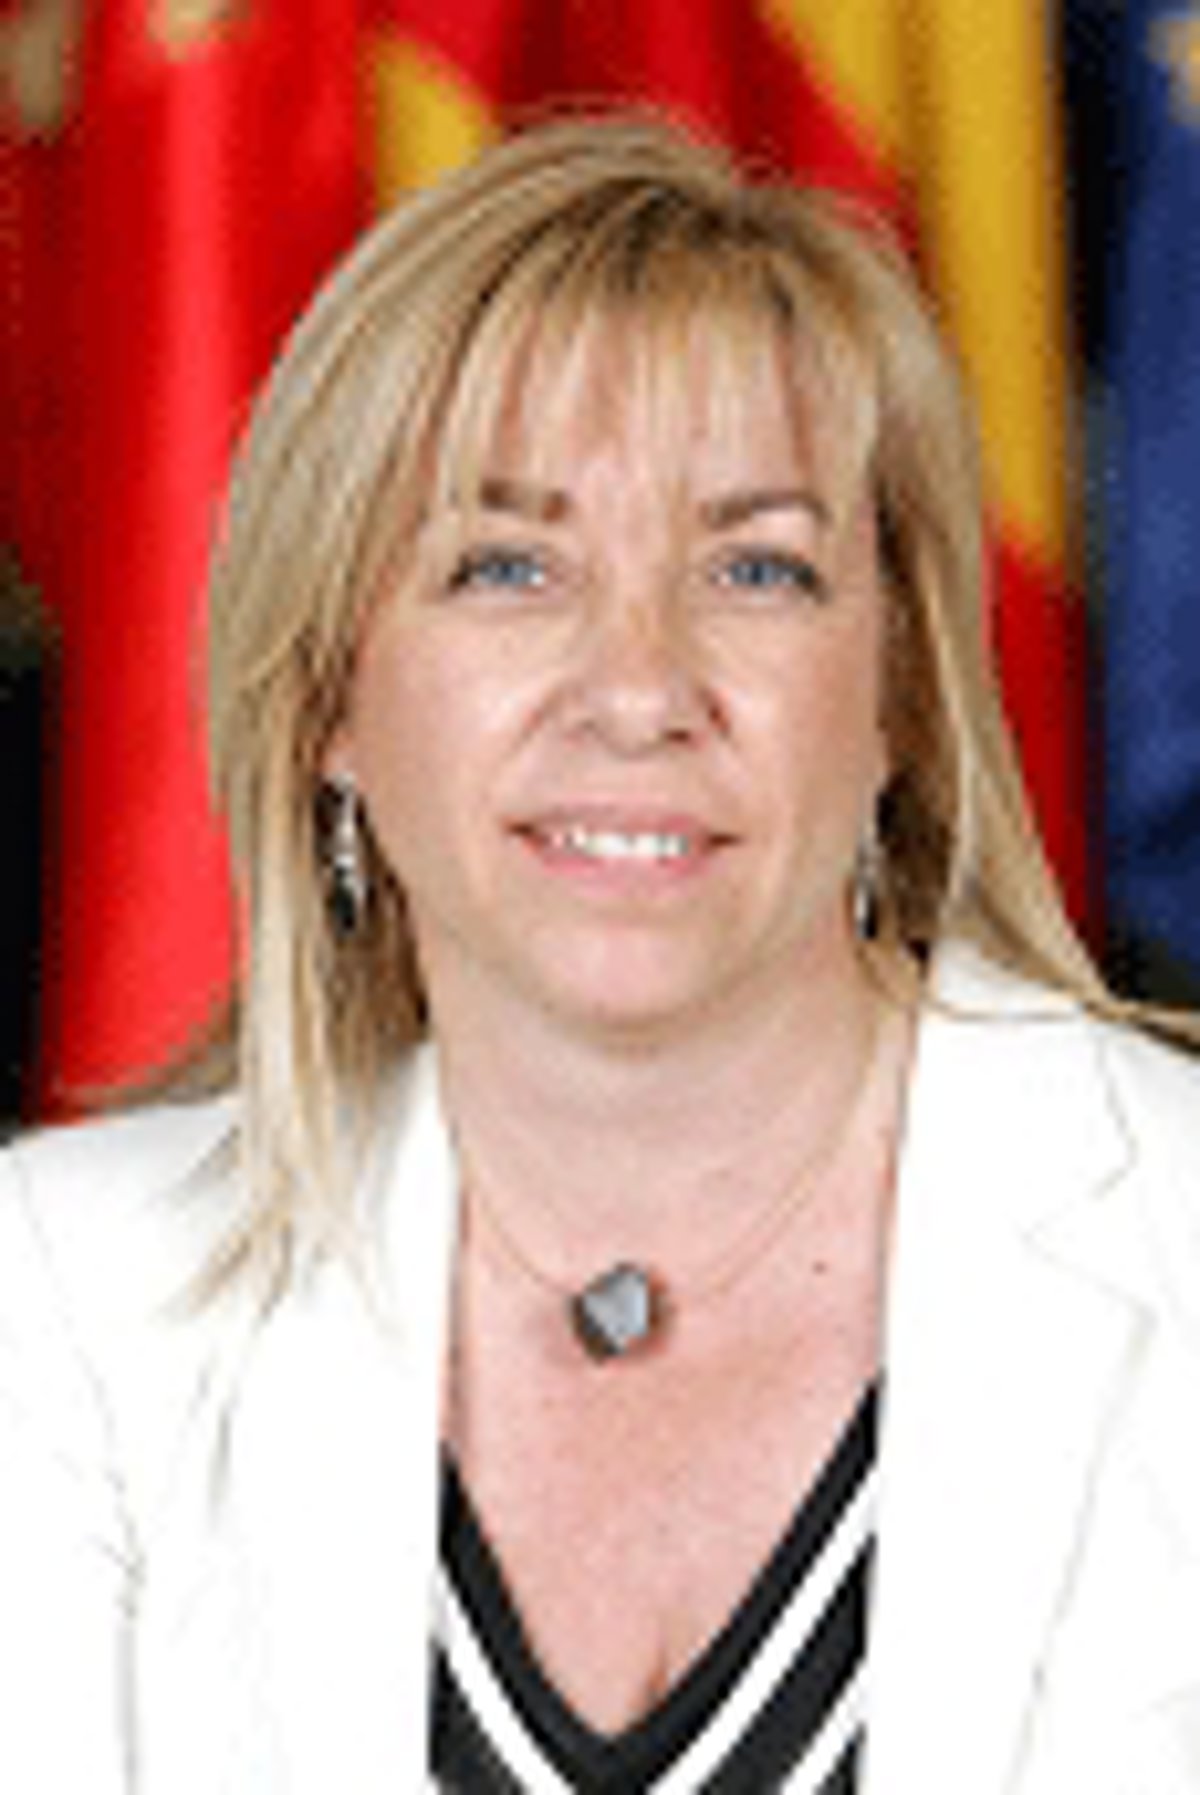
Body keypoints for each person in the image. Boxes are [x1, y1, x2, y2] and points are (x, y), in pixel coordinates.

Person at [2, 114, 1199, 1795]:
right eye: (508, 567)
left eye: (758, 568)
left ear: (905, 690)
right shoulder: (59, 1301)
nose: (638, 690)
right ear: (331, 694)